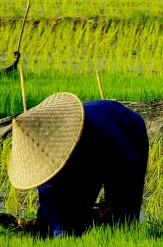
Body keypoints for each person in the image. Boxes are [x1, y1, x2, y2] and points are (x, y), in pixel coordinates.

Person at [7, 92, 149, 238]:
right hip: (90, 146)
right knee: (72, 209)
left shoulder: (102, 131)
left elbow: (128, 162)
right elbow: (50, 203)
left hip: (128, 132)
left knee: (123, 215)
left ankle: (121, 238)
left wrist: (113, 204)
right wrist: (59, 234)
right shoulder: (43, 162)